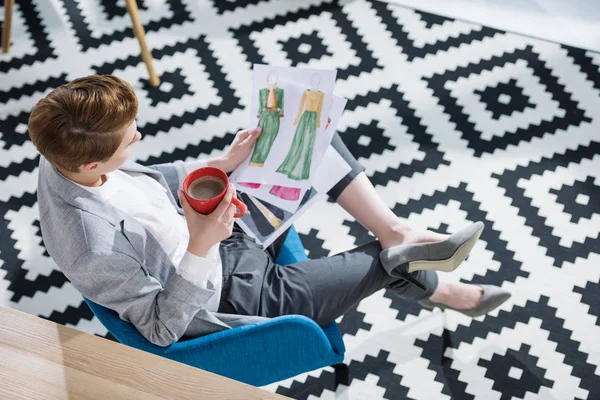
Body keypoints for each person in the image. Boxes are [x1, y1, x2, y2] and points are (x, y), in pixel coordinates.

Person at [29, 75, 510, 347]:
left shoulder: (62, 154)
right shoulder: (93, 245)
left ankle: (395, 228)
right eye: (130, 138)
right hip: (235, 296)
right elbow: (160, 328)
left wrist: (223, 164)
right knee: (390, 262)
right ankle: (440, 288)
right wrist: (201, 242)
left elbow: (151, 181)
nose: (138, 137)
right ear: (93, 162)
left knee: (308, 138)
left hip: (216, 229)